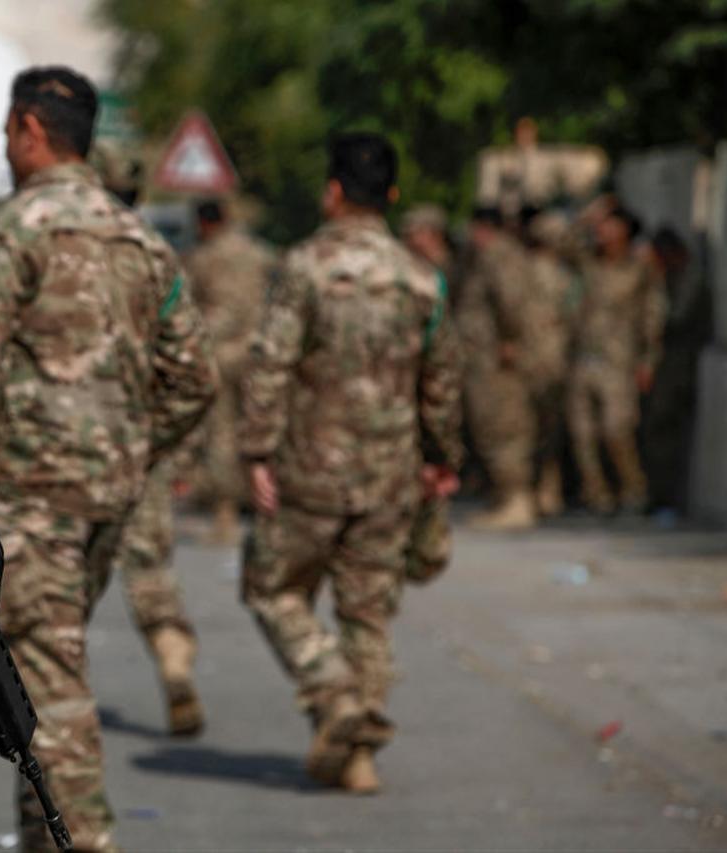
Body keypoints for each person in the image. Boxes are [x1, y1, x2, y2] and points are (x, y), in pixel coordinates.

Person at [0, 66, 216, 851]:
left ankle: (83, 838)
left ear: (29, 129)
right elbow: (195, 377)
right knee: (38, 671)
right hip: (110, 501)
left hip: (32, 501)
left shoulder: (20, 228)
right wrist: (131, 446)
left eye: (6, 134)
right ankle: (46, 835)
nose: (5, 147)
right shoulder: (140, 238)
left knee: (50, 687)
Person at [239, 133, 463, 794]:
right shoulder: (423, 279)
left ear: (332, 190)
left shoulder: (304, 266)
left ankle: (333, 694)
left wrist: (256, 451)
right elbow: (443, 380)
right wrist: (441, 459)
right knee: (367, 613)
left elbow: (270, 362)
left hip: (309, 467)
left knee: (272, 588)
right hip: (391, 474)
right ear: (391, 196)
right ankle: (357, 755)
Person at [90, 139, 207, 738]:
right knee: (151, 570)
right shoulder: (158, 256)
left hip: (66, 450)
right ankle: (174, 664)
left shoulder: (52, 244)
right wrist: (161, 441)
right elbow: (193, 373)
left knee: (55, 596)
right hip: (141, 448)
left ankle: (51, 702)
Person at [183, 196, 278, 543]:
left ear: (204, 222)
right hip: (260, 353)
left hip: (220, 353)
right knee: (260, 431)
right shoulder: (259, 251)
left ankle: (225, 516)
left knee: (222, 435)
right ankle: (264, 511)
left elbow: (189, 304)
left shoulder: (203, 257)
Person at [566, 202, 665, 513]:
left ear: (625, 230)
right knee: (581, 433)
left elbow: (653, 315)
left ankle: (634, 491)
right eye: (601, 225)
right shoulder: (589, 262)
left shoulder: (640, 268)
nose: (603, 231)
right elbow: (562, 242)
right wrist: (588, 214)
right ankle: (598, 496)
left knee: (616, 429)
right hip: (583, 357)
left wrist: (648, 361)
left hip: (619, 361)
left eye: (610, 224)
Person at [456, 207, 540, 529]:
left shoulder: (499, 256)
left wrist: (509, 339)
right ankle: (504, 496)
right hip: (482, 358)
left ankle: (516, 499)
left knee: (503, 425)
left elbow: (510, 300)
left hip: (495, 360)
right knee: (488, 425)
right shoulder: (486, 256)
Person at [642, 227, 710, 515]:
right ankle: (659, 495)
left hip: (678, 366)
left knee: (665, 429)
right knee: (657, 430)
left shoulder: (690, 278)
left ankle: (667, 499)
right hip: (668, 364)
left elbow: (674, 319)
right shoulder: (670, 278)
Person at [523, 210, 579, 516]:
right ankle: (539, 488)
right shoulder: (539, 272)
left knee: (547, 428)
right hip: (542, 357)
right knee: (539, 428)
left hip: (551, 357)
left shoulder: (566, 275)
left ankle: (546, 487)